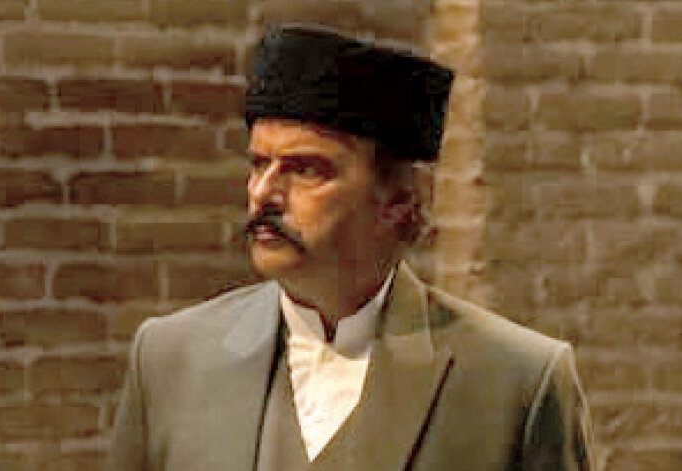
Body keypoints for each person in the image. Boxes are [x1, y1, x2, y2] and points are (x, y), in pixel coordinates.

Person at [105, 24, 595, 471]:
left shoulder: (516, 383)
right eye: (258, 164)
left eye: (305, 169)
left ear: (399, 200)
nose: (263, 193)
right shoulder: (170, 358)